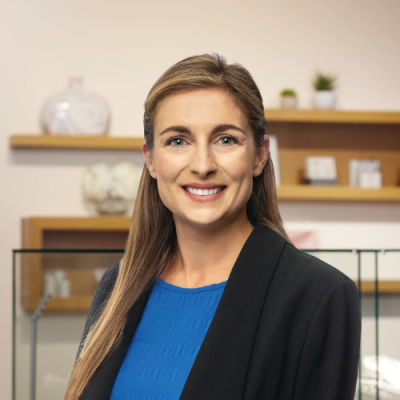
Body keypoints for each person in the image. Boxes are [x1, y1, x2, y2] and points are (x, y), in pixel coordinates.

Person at [64, 53, 361, 400]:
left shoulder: (318, 297)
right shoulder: (117, 286)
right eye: (178, 140)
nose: (202, 165)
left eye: (226, 139)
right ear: (151, 159)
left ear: (260, 155)